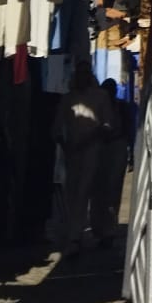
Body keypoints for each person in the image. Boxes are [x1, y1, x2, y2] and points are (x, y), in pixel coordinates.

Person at [56, 62, 105, 255]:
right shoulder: (68, 100)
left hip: (93, 150)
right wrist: (65, 144)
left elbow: (107, 124)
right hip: (72, 151)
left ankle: (78, 234)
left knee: (86, 192)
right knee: (72, 192)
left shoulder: (100, 98)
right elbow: (57, 126)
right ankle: (73, 233)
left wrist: (91, 138)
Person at [90, 78, 130, 248]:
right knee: (98, 190)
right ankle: (98, 229)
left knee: (113, 190)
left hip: (116, 147)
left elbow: (128, 127)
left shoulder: (122, 107)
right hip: (100, 147)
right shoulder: (96, 108)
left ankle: (109, 230)